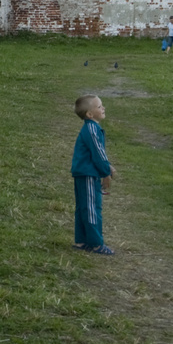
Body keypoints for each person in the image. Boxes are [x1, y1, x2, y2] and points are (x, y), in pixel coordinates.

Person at [71, 95, 117, 255]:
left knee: (83, 207)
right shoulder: (92, 129)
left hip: (83, 173)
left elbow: (97, 153)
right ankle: (96, 243)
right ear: (90, 114)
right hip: (88, 174)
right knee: (91, 208)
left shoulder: (91, 128)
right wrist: (105, 172)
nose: (103, 108)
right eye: (99, 106)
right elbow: (98, 153)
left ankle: (81, 241)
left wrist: (107, 166)